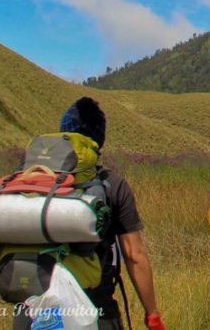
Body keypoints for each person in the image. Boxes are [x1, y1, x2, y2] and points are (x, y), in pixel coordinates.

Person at [14, 97, 164, 330]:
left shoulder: (30, 180)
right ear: (98, 141)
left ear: (64, 133)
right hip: (94, 310)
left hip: (32, 310)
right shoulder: (112, 185)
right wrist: (152, 315)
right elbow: (134, 255)